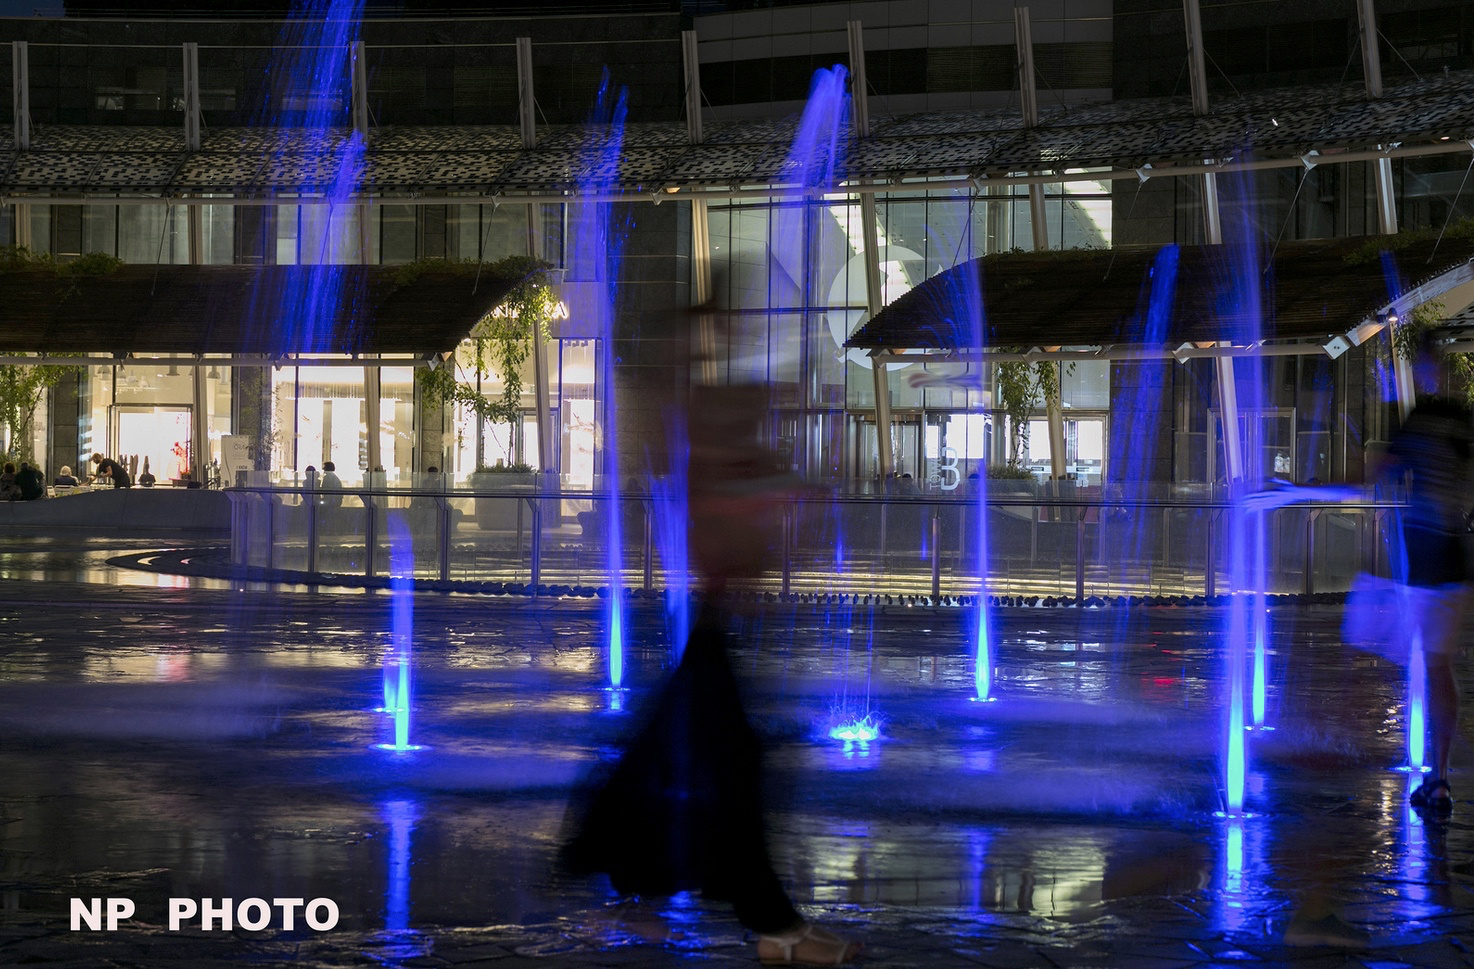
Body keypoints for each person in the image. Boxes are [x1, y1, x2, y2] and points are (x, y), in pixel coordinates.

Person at [561, 384, 862, 966]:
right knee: (722, 769)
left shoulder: (739, 461)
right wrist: (783, 488)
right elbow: (726, 511)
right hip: (712, 634)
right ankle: (768, 925)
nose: (757, 420)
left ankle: (721, 912)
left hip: (723, 635)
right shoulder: (711, 465)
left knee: (701, 765)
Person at [1380, 335, 1473, 816]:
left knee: (1429, 663)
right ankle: (1437, 776)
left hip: (1425, 554)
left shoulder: (1416, 423)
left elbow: (1372, 477)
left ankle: (1436, 779)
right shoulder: (1462, 422)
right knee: (1439, 665)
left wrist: (1295, 490)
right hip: (1456, 557)